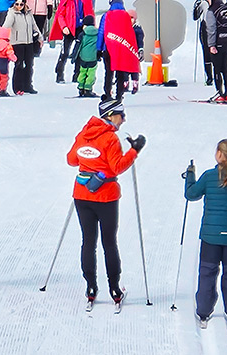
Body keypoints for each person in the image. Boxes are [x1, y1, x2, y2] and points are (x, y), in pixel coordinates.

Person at [67, 99, 145, 305]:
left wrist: (90, 161)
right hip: (106, 196)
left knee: (88, 241)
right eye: (121, 114)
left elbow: (72, 160)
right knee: (109, 242)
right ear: (110, 115)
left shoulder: (84, 133)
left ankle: (90, 286)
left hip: (82, 195)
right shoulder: (110, 138)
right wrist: (134, 151)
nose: (124, 119)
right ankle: (114, 289)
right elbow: (118, 166)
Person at [184, 139, 227, 330]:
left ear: (219, 154)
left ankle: (204, 312)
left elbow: (191, 195)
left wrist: (190, 176)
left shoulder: (208, 176)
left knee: (207, 272)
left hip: (210, 236)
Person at [49, 0, 95, 83]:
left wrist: (87, 25)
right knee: (64, 52)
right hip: (69, 27)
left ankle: (77, 75)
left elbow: (89, 12)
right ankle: (59, 74)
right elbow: (60, 13)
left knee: (80, 52)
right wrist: (63, 26)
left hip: (80, 27)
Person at [2, 0, 43, 95]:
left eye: (21, 4)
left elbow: (34, 25)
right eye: (17, 4)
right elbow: (6, 26)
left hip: (28, 42)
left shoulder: (29, 13)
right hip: (17, 42)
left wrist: (40, 37)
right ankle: (17, 87)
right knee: (19, 65)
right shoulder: (12, 13)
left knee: (29, 64)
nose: (19, 6)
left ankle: (28, 85)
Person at [102, 0, 140, 101]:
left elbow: (101, 32)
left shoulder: (107, 15)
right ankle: (119, 95)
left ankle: (108, 94)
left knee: (108, 72)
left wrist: (99, 48)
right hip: (122, 49)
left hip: (108, 48)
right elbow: (129, 33)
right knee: (121, 73)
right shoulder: (126, 16)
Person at [192, 0, 216, 86]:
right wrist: (196, 8)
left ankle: (219, 74)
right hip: (205, 28)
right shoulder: (203, 2)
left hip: (216, 28)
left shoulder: (219, 2)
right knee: (207, 52)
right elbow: (195, 17)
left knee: (218, 52)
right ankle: (209, 77)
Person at [70, 14, 98, 97]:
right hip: (93, 57)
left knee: (82, 72)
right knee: (91, 73)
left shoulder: (82, 34)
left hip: (83, 57)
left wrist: (74, 57)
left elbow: (78, 46)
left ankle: (81, 87)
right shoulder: (98, 33)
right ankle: (88, 89)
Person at [0, 26, 17, 97]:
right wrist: (15, 59)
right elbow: (10, 53)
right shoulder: (7, 45)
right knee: (4, 77)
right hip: (3, 61)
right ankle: (3, 90)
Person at [125, 9, 145, 94]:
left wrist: (140, 49)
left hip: (134, 52)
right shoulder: (124, 27)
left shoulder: (137, 29)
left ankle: (135, 83)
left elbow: (140, 40)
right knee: (125, 69)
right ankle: (125, 83)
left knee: (134, 69)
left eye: (132, 18)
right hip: (126, 52)